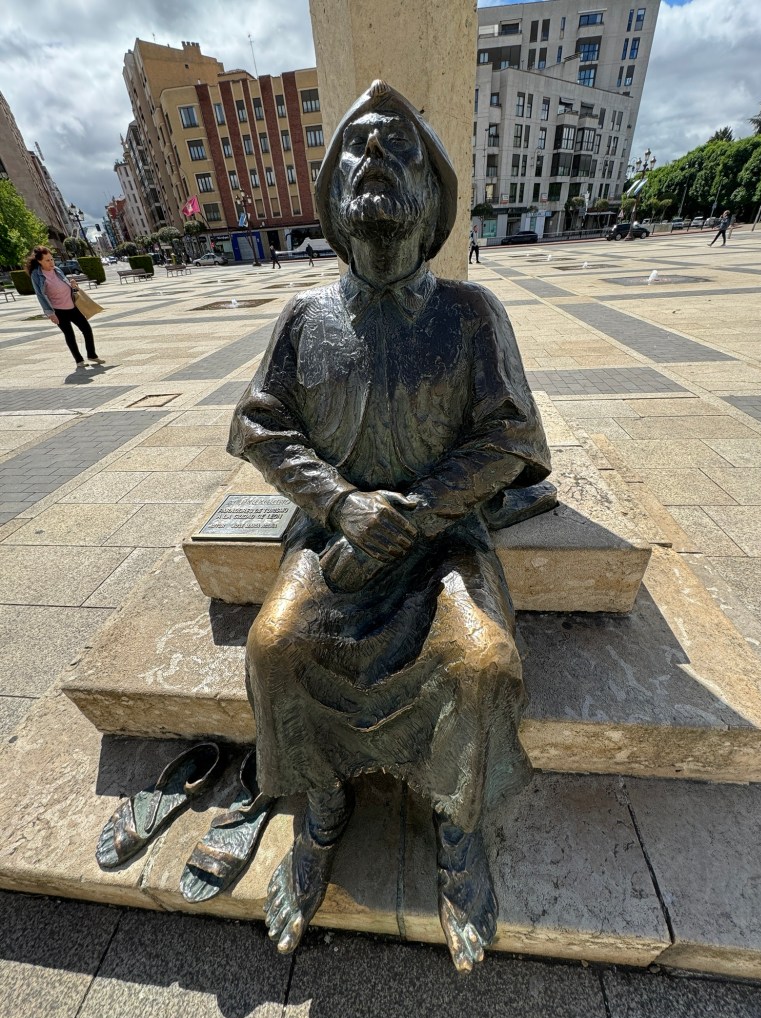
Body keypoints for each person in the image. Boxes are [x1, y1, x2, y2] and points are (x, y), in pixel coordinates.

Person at [228, 80, 550, 973]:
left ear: (434, 193)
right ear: (332, 199)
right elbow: (259, 425)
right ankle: (320, 808)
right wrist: (339, 503)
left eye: (397, 145)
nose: (373, 153)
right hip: (333, 542)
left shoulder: (472, 315)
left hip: (441, 542)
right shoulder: (304, 318)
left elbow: (511, 438)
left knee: (483, 663)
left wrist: (413, 511)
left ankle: (458, 827)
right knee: (275, 646)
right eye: (355, 148)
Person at [27, 247, 104, 368]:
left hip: (72, 306)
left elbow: (65, 286)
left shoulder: (57, 270)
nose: (51, 262)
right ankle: (79, 360)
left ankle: (92, 355)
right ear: (39, 261)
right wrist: (50, 313)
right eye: (47, 260)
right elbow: (40, 295)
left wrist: (72, 286)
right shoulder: (36, 275)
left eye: (52, 259)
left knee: (86, 329)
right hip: (58, 311)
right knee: (69, 335)